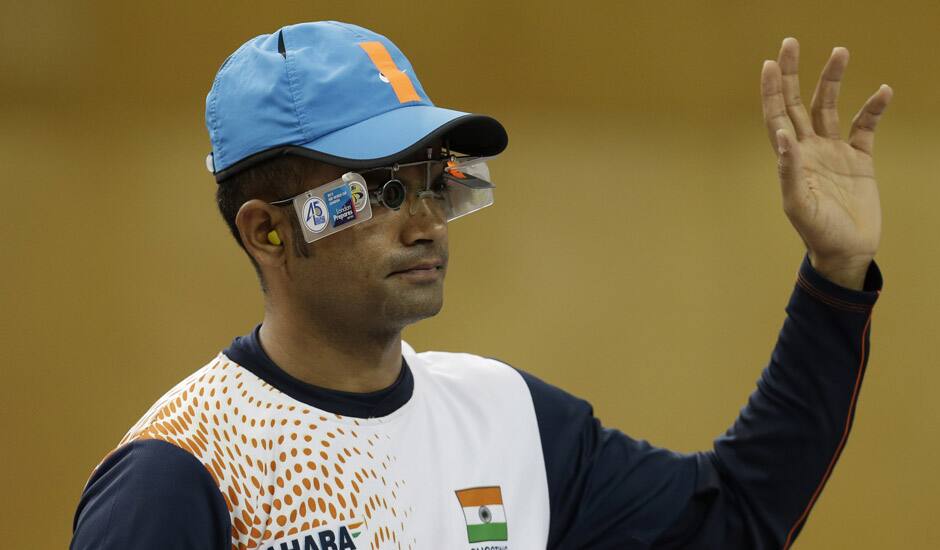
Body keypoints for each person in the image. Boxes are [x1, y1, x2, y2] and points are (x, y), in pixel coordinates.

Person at [70, 21, 891, 550]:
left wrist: (836, 274)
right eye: (382, 190)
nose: (426, 220)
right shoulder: (183, 471)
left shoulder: (506, 418)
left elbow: (736, 520)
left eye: (433, 181)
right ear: (267, 229)